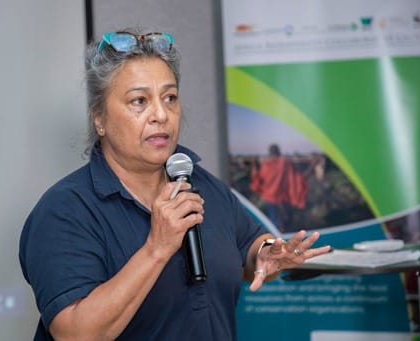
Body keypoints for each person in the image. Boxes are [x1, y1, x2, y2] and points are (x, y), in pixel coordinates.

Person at [19, 27, 332, 341]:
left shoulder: (203, 185)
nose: (160, 114)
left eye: (170, 98)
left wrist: (265, 254)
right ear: (99, 118)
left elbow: (247, 249)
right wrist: (157, 248)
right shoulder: (64, 210)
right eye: (139, 101)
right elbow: (75, 334)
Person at [250, 144, 311, 232]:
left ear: (270, 152)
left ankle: (276, 237)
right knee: (283, 219)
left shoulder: (266, 165)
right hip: (282, 198)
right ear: (278, 152)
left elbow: (258, 178)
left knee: (274, 219)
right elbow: (295, 177)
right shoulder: (284, 163)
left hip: (270, 197)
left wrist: (254, 165)